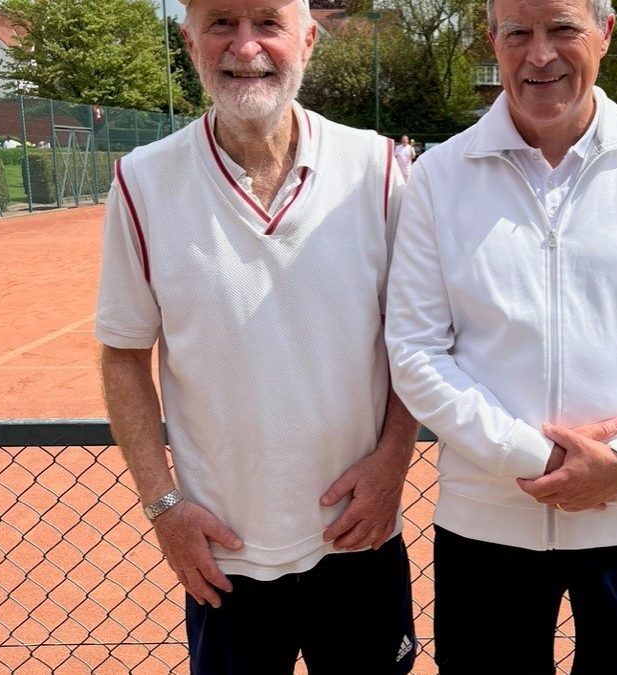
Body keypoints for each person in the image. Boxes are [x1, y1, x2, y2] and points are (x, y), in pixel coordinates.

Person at [385, 0, 617, 673]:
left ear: (604, 34)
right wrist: (532, 457)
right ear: (492, 42)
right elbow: (415, 349)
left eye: (562, 29)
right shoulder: (439, 176)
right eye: (518, 32)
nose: (539, 54)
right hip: (488, 523)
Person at [96, 0, 418, 672]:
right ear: (190, 43)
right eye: (221, 23)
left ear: (307, 38)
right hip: (223, 552)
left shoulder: (378, 168)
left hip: (359, 537)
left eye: (267, 22)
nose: (245, 48)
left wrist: (392, 462)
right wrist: (164, 508)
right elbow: (125, 355)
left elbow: (413, 337)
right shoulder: (143, 181)